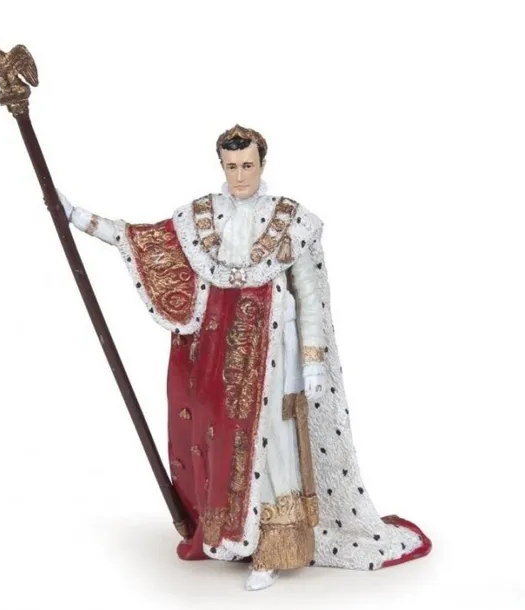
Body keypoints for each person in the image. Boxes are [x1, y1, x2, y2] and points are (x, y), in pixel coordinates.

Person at [57, 124, 431, 591]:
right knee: (222, 438)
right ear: (222, 165)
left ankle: (274, 548)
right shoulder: (199, 217)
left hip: (274, 349)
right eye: (231, 167)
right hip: (217, 351)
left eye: (247, 166)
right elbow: (144, 239)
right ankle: (236, 534)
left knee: (272, 441)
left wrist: (313, 358)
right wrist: (78, 217)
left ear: (261, 164)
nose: (239, 176)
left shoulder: (292, 221)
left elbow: (310, 294)